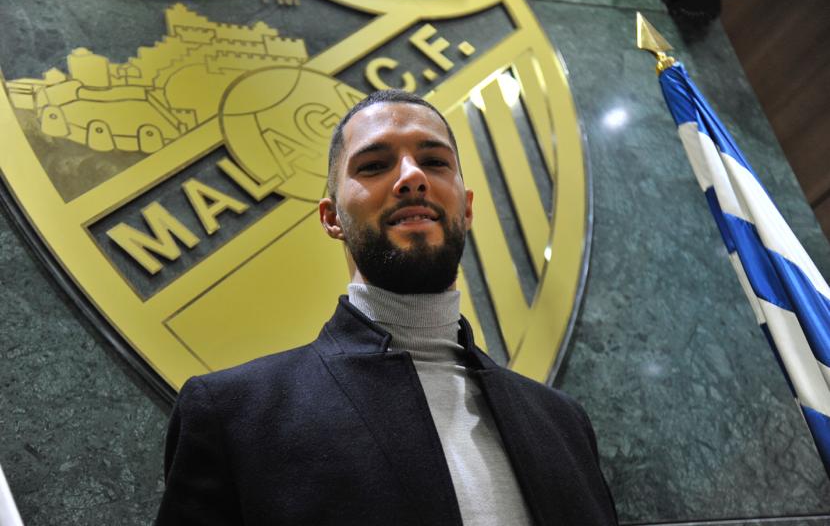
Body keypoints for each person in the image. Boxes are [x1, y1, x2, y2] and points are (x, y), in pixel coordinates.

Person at [155, 89, 618, 525]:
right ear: (332, 218)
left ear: (467, 208)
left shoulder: (562, 421)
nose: (412, 176)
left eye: (434, 161)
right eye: (374, 165)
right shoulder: (234, 416)